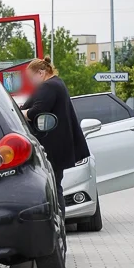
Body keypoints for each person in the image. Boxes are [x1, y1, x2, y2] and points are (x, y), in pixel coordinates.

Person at [21, 57, 90, 219]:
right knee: (56, 184)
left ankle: (57, 221)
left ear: (41, 72)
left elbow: (36, 110)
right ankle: (58, 220)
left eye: (32, 78)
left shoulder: (49, 86)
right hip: (60, 145)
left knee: (54, 186)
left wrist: (23, 114)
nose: (31, 83)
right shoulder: (57, 83)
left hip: (52, 145)